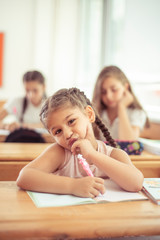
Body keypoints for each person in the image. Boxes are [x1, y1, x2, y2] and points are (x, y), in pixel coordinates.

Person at [16, 88, 144, 198]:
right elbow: (24, 177)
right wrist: (73, 186)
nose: (66, 134)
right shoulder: (60, 153)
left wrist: (92, 154)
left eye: (71, 121)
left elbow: (136, 183)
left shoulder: (113, 154)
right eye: (58, 131)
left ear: (89, 114)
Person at [92, 65, 149, 141]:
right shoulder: (98, 113)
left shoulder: (137, 113)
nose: (109, 96)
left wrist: (121, 107)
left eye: (114, 90)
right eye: (103, 92)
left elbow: (128, 141)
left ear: (125, 87)